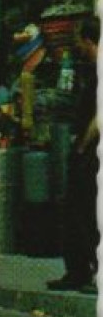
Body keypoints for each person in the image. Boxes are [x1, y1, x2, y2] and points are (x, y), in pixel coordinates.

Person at [49, 15, 99, 292]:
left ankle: (93, 271)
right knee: (72, 212)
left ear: (89, 40)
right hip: (81, 149)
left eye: (80, 38)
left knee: (88, 214)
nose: (77, 45)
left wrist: (83, 144)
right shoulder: (90, 69)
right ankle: (76, 271)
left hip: (91, 152)